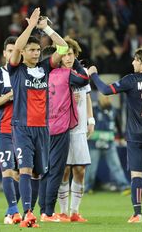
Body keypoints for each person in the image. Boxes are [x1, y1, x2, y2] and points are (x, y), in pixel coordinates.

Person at [88, 47, 142, 224]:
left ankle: (137, 214)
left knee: (137, 176)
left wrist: (94, 75)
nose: (133, 62)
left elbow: (105, 90)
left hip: (136, 137)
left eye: (135, 60)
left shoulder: (131, 80)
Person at [7, 8, 76, 228]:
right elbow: (17, 47)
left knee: (38, 173)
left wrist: (45, 27)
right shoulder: (16, 69)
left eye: (38, 50)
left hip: (42, 128)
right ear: (25, 52)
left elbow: (63, 47)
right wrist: (30, 26)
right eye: (33, 50)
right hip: (22, 126)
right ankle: (27, 212)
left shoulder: (45, 67)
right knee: (26, 170)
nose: (36, 53)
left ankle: (31, 212)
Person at [37, 38, 89, 223]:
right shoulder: (63, 74)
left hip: (39, 128)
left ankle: (42, 208)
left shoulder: (36, 75)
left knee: (43, 169)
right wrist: (74, 61)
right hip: (59, 128)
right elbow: (84, 79)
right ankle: (49, 212)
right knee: (55, 171)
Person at [56, 43, 94, 223]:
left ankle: (74, 212)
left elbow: (87, 97)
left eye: (71, 54)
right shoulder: (56, 74)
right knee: (63, 171)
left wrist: (91, 120)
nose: (69, 58)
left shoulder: (82, 73)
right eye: (66, 55)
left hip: (79, 130)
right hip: (62, 128)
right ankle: (62, 211)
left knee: (80, 170)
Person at [0, 36, 22, 224]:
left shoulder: (25, 73)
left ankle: (12, 212)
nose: (12, 54)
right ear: (4, 53)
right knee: (8, 171)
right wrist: (9, 95)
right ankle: (13, 210)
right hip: (4, 130)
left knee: (22, 173)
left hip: (24, 131)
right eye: (9, 51)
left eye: (14, 50)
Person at [85, 93, 130, 194]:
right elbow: (88, 123)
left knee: (116, 166)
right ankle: (87, 188)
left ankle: (124, 186)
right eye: (104, 96)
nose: (106, 98)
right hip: (95, 143)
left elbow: (118, 123)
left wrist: (121, 137)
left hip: (110, 143)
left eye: (107, 96)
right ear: (99, 98)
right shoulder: (94, 109)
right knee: (91, 168)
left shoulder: (113, 110)